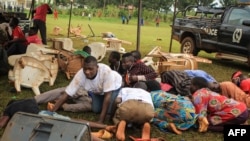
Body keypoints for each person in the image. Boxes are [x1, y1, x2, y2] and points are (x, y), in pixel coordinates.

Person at [50, 56, 122, 123]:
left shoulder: (106, 72)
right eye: (85, 69)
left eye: (90, 69)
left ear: (97, 67)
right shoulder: (80, 74)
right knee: (96, 109)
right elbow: (67, 93)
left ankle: (116, 96)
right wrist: (51, 112)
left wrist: (100, 121)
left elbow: (107, 95)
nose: (87, 72)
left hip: (114, 87)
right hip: (99, 91)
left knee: (109, 110)